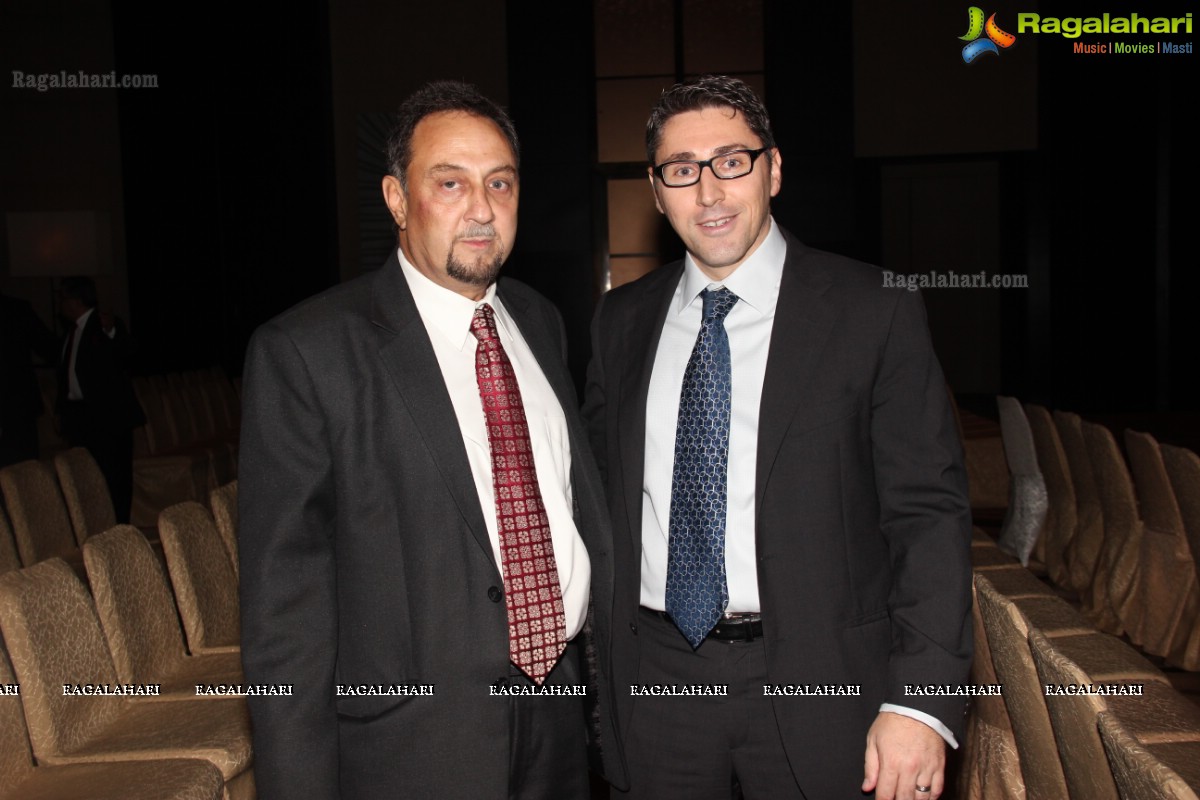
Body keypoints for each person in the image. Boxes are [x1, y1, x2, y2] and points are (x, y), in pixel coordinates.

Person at [583, 75, 972, 800]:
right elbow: (601, 506)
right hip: (660, 681)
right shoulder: (621, 322)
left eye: (732, 160)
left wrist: (919, 700)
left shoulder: (872, 309)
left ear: (774, 168)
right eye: (682, 170)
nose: (709, 192)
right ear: (657, 189)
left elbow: (927, 513)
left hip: (827, 681)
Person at [238, 80, 623, 800]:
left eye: (499, 183)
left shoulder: (540, 322)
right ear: (394, 199)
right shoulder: (306, 352)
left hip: (558, 716)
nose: (481, 209)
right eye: (450, 183)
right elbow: (283, 612)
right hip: (410, 746)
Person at [56, 276, 144, 522]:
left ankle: (119, 530)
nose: (59, 304)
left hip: (108, 420)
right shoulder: (69, 333)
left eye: (62, 298)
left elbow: (128, 353)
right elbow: (66, 376)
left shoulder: (104, 324)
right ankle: (95, 529)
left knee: (115, 479)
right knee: (84, 480)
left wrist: (112, 331)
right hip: (79, 417)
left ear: (75, 300)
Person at [0, 291, 60, 467]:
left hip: (15, 409)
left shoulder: (15, 309)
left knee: (23, 472)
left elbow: (51, 349)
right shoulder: (16, 308)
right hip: (17, 408)